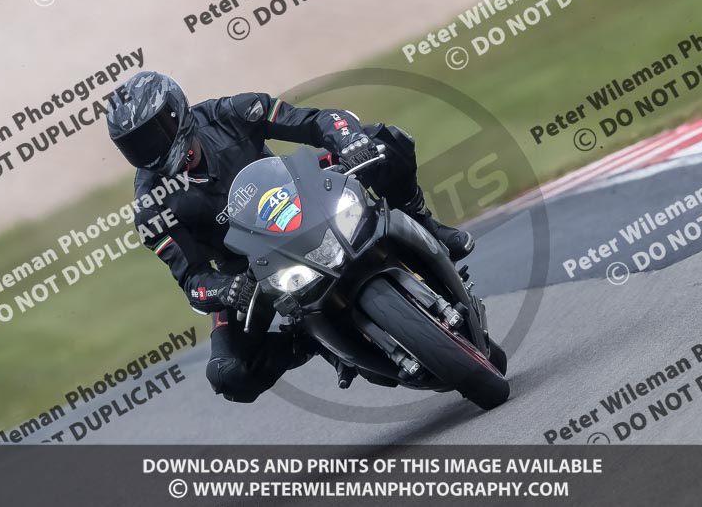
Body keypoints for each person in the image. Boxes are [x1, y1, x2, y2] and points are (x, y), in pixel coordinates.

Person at [106, 71, 474, 403]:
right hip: (249, 269)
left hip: (304, 198)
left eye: (153, 135)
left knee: (386, 140)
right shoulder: (150, 208)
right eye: (136, 146)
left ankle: (424, 223)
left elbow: (318, 121)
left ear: (177, 113)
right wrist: (226, 289)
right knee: (227, 373)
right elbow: (193, 281)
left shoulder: (233, 112)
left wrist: (349, 141)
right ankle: (309, 340)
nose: (150, 150)